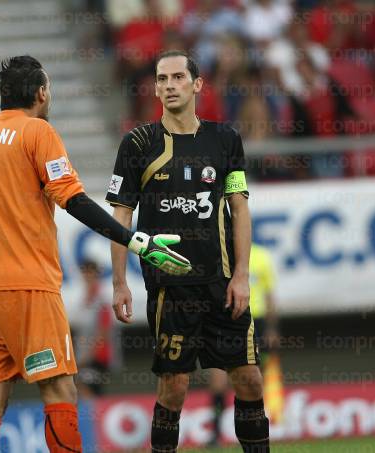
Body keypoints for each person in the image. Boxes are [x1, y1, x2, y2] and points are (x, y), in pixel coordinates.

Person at [0, 55, 191, 453]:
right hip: (28, 288)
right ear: (42, 93)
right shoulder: (38, 132)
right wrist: (135, 240)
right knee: (60, 388)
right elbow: (73, 200)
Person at [107, 50, 270, 453]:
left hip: (222, 284)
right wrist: (119, 282)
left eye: (178, 77)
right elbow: (120, 216)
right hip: (170, 289)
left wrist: (242, 275)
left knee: (249, 378)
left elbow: (240, 208)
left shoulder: (225, 139)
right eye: (162, 79)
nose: (169, 85)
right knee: (174, 387)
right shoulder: (138, 143)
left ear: (197, 84)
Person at [209, 242, 280, 447]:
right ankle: (215, 431)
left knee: (255, 380)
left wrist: (272, 328)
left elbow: (269, 294)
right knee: (218, 381)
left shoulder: (262, 257)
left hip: (255, 321)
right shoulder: (220, 256)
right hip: (225, 320)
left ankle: (260, 430)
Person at [74, 260, 121, 398]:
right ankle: (96, 414)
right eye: (84, 272)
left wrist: (85, 358)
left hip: (98, 357)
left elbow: (104, 332)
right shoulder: (85, 300)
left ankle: (95, 416)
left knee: (82, 384)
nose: (86, 276)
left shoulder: (101, 299)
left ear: (96, 274)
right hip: (88, 358)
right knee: (91, 389)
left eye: (90, 273)